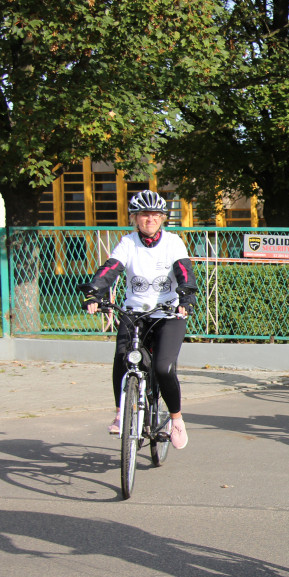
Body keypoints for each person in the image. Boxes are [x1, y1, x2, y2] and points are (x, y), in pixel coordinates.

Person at [80, 190, 196, 449]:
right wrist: (94, 292)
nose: (150, 219)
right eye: (144, 214)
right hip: (135, 313)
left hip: (169, 314)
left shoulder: (173, 242)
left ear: (163, 218)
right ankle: (122, 411)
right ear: (135, 218)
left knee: (163, 368)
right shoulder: (128, 243)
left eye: (155, 214)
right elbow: (110, 269)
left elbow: (184, 272)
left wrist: (185, 299)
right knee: (123, 357)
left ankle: (176, 419)